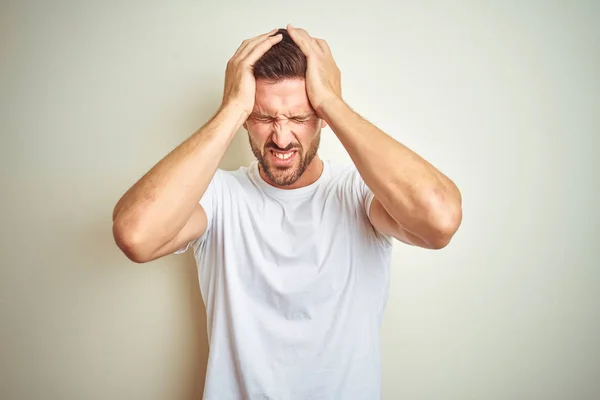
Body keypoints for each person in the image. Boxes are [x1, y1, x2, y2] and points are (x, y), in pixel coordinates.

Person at [112, 24, 462, 399]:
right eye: (264, 118)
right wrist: (231, 107)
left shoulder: (361, 193)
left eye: (298, 118)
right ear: (246, 117)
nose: (280, 138)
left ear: (322, 116)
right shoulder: (218, 197)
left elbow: (439, 221)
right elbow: (136, 235)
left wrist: (332, 103)